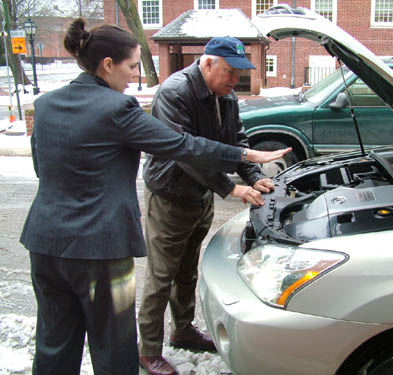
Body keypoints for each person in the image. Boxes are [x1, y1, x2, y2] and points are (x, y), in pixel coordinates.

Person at [20, 20, 290, 375]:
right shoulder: (118, 108)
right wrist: (246, 157)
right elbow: (180, 145)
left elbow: (43, 168)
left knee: (54, 343)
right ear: (107, 65)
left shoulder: (46, 105)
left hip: (45, 244)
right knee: (114, 346)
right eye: (132, 66)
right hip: (102, 252)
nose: (135, 75)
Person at [137, 37, 275, 375]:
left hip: (201, 194)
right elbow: (184, 151)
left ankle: (182, 330)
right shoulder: (175, 92)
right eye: (229, 72)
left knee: (187, 271)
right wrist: (230, 188)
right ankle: (147, 350)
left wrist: (254, 175)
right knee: (161, 275)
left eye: (239, 74)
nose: (234, 81)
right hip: (170, 195)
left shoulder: (224, 95)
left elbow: (237, 142)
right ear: (208, 63)